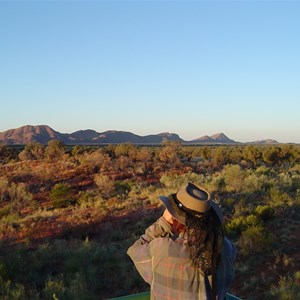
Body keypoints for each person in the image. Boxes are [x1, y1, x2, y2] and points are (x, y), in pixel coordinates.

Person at [127, 182, 237, 300]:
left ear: (176, 218)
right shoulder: (227, 248)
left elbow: (135, 250)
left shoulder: (162, 250)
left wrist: (164, 223)